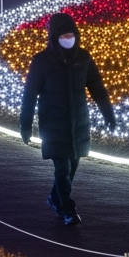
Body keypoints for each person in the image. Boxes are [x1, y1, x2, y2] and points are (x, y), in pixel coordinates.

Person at [19, 12, 116, 226]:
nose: (67, 39)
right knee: (62, 169)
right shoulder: (42, 62)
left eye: (70, 34)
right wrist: (25, 125)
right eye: (63, 35)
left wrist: (108, 114)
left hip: (79, 123)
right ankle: (67, 210)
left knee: (72, 167)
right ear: (54, 37)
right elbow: (30, 95)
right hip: (53, 124)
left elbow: (97, 88)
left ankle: (55, 198)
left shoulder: (83, 58)